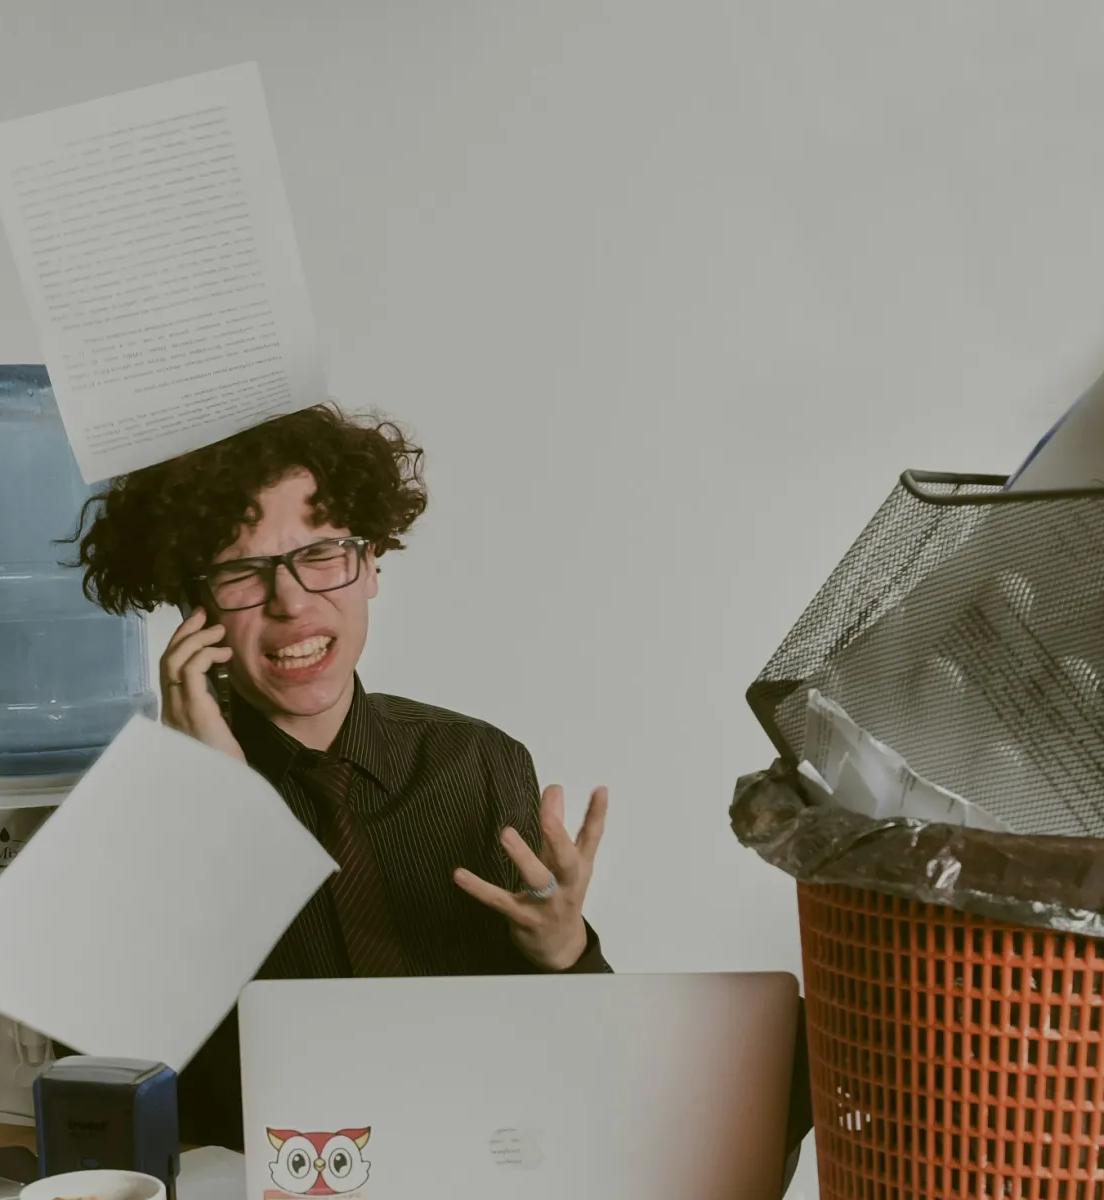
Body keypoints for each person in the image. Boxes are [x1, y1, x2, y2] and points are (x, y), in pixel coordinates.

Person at [68, 404, 809, 1187]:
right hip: (267, 1187)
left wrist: (564, 953)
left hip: (477, 1180)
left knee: (775, 1068)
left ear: (373, 562)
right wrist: (203, 806)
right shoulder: (136, 811)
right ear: (198, 608)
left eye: (321, 554)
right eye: (242, 572)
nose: (291, 603)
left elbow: (579, 1067)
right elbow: (97, 1102)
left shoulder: (477, 763)